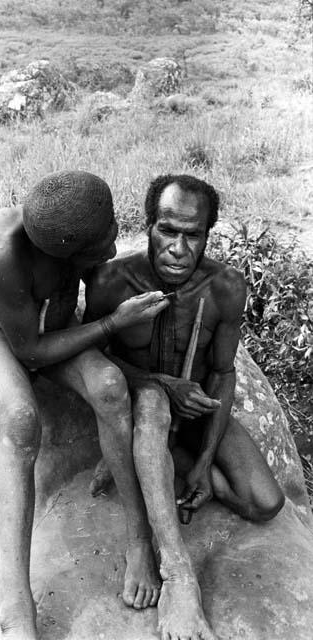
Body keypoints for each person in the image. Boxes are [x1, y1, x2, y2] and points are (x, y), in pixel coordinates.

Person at [0, 170, 170, 640]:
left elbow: (92, 300)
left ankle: (140, 541)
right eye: (102, 248)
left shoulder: (77, 217)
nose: (114, 248)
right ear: (63, 252)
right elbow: (29, 351)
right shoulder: (3, 250)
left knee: (111, 387)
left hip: (55, 330)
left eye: (114, 231)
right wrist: (114, 324)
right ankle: (16, 603)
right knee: (19, 421)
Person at [85, 174, 285, 640]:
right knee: (154, 406)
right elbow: (97, 363)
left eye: (192, 235)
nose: (177, 247)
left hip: (192, 413)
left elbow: (222, 375)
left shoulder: (226, 287)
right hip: (140, 407)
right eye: (166, 230)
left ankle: (174, 470)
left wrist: (207, 460)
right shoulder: (113, 281)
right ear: (148, 225)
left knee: (266, 503)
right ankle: (178, 576)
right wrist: (156, 383)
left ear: (207, 236)